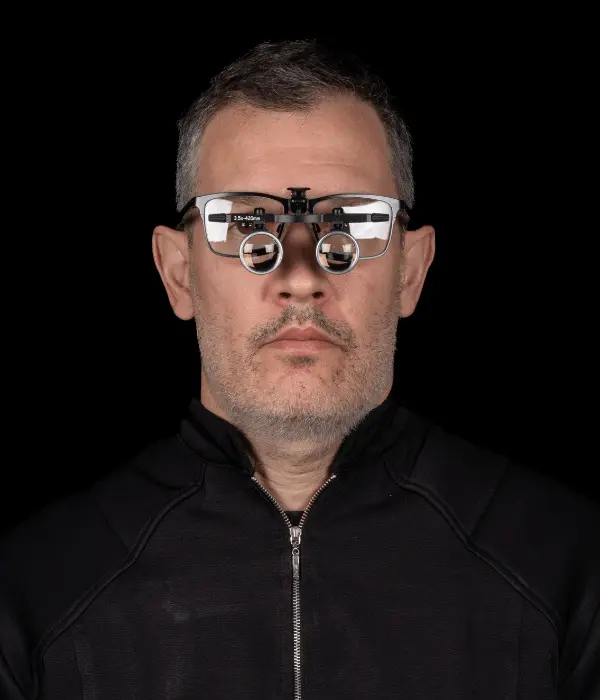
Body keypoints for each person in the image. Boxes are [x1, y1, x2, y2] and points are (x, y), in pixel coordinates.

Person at [1, 39, 598, 700]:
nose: (301, 276)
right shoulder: (35, 590)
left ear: (410, 271)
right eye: (244, 223)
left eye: (351, 223)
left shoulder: (566, 566)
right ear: (178, 273)